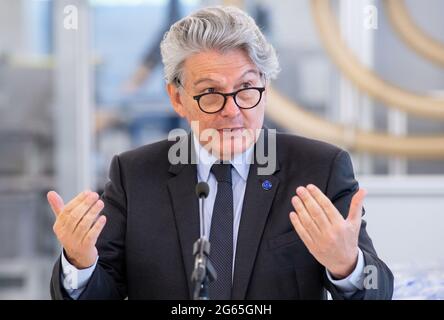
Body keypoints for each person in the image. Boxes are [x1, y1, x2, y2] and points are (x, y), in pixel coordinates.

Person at [48, 6, 393, 300]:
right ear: (177, 98)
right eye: (210, 92)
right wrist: (80, 262)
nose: (232, 110)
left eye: (246, 89)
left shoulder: (319, 169)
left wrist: (346, 264)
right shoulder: (134, 174)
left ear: (265, 87)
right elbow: (101, 291)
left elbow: (378, 288)